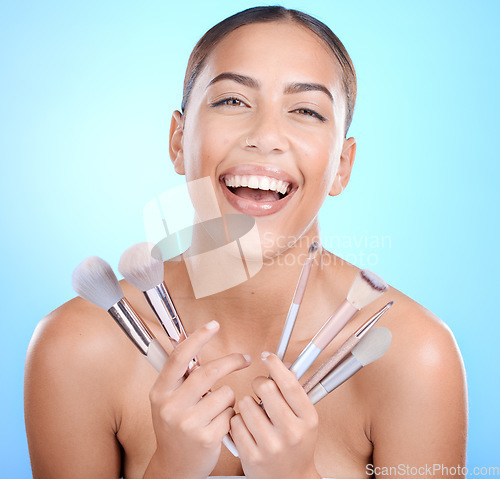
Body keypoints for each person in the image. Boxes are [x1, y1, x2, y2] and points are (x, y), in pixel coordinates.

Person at [24, 6, 467, 479]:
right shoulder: (76, 348)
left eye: (305, 110)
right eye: (232, 101)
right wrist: (170, 468)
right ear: (177, 140)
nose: (266, 136)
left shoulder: (415, 358)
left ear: (342, 164)